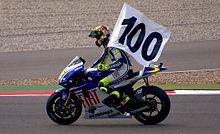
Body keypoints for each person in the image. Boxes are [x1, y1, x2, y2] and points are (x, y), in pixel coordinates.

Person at [88, 25, 135, 109]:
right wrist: (88, 69)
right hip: (121, 69)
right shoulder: (108, 45)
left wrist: (106, 67)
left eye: (98, 37)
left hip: (124, 69)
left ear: (104, 34)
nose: (97, 40)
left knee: (102, 83)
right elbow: (102, 59)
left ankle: (120, 98)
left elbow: (120, 62)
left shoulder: (113, 46)